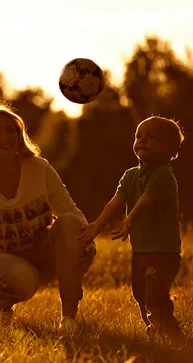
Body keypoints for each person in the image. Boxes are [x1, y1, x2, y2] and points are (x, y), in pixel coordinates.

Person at [0, 103, 96, 334]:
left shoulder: (39, 168)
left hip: (43, 250)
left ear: (20, 136)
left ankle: (68, 320)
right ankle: (2, 304)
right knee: (23, 280)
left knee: (69, 222)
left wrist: (88, 245)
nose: (5, 137)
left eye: (11, 130)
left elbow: (70, 211)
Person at [78, 116, 185, 341]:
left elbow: (146, 200)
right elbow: (116, 201)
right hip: (141, 250)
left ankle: (169, 331)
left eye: (151, 136)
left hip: (163, 251)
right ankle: (154, 328)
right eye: (138, 136)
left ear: (170, 148)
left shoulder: (163, 174)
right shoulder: (130, 175)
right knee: (140, 294)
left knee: (154, 294)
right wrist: (97, 225)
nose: (142, 140)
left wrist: (129, 221)